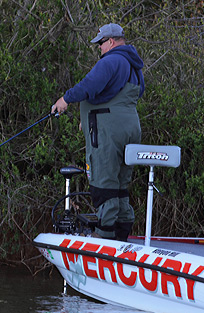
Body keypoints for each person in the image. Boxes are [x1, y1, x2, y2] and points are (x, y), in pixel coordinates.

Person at [51, 23, 145, 241]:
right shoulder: (134, 65)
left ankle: (104, 237)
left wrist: (65, 99)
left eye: (100, 44)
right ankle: (121, 237)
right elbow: (127, 96)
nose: (99, 49)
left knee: (104, 184)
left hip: (108, 134)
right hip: (131, 129)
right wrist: (91, 116)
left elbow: (89, 85)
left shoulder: (112, 60)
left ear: (110, 41)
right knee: (121, 184)